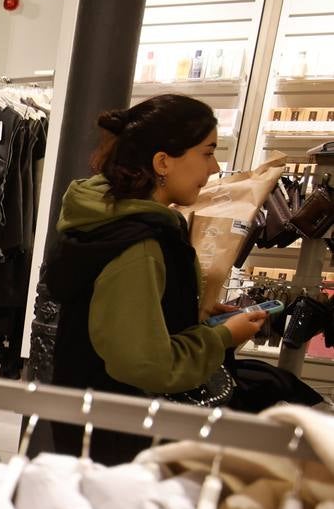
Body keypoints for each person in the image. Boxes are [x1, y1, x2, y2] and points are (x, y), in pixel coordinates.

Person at [42, 94, 267, 463]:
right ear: (163, 161)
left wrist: (194, 318)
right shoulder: (139, 242)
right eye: (207, 152)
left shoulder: (107, 221)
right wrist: (223, 335)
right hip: (124, 437)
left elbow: (120, 324)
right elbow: (143, 363)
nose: (213, 168)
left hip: (92, 420)